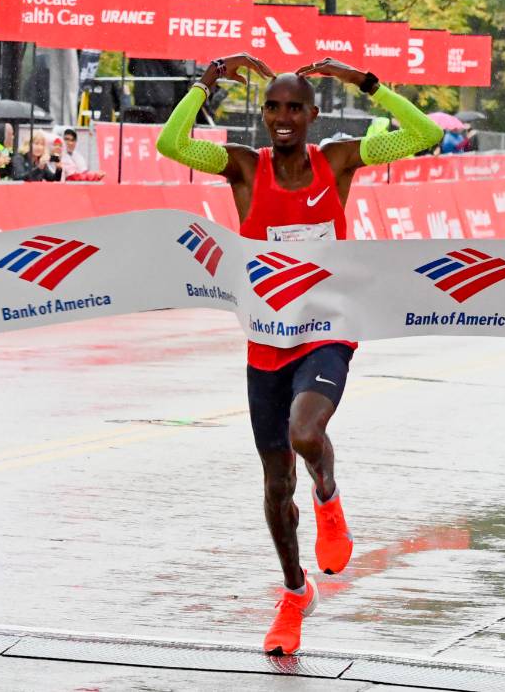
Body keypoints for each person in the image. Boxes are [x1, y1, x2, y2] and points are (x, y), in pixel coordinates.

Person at [156, 53, 442, 656]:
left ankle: (330, 500)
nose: (282, 117)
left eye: (294, 108)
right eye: (272, 107)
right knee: (274, 486)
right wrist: (207, 81)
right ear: (263, 115)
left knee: (306, 432)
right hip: (266, 342)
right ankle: (294, 593)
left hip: (326, 329)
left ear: (313, 115)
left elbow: (426, 135)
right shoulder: (241, 167)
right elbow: (170, 143)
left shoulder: (335, 161)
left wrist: (362, 83)